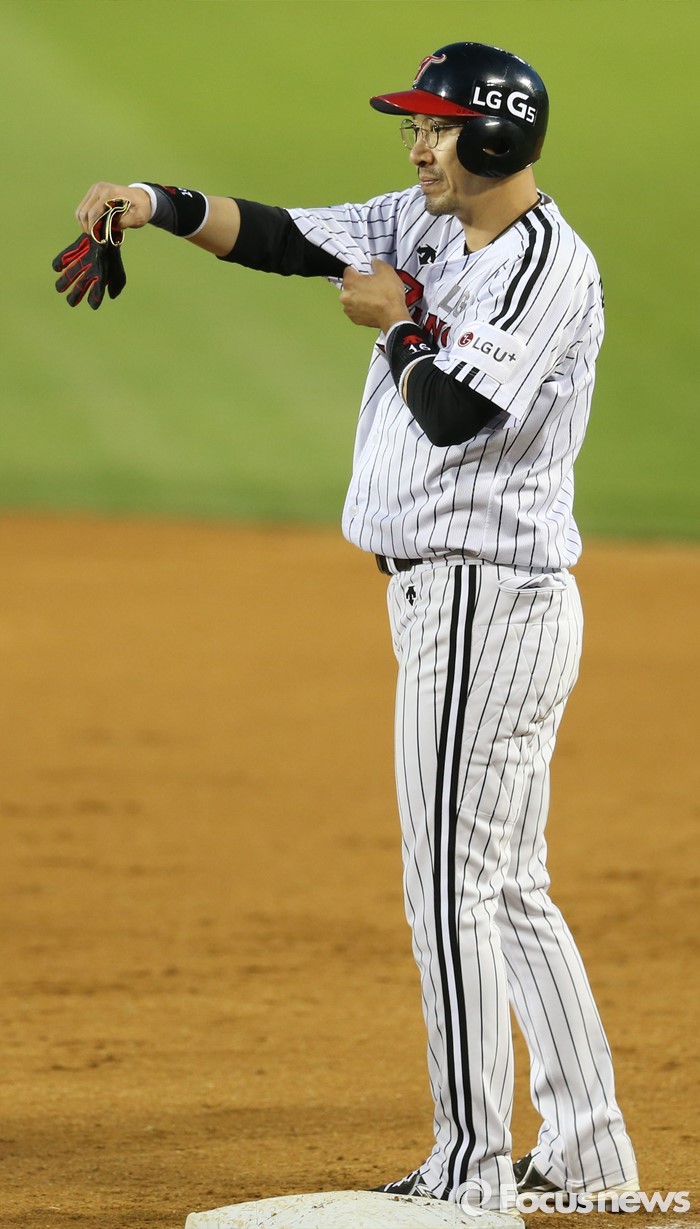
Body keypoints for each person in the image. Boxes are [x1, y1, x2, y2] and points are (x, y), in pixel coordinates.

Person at [64, 40, 639, 1222]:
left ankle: (468, 1168)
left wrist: (396, 325)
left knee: (451, 889)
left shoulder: (545, 265)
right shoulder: (422, 220)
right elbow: (284, 236)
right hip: (461, 599)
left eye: (435, 128)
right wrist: (156, 203)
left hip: (482, 596)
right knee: (504, 884)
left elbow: (455, 410)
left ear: (495, 137)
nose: (417, 147)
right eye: (412, 128)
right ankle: (587, 1152)